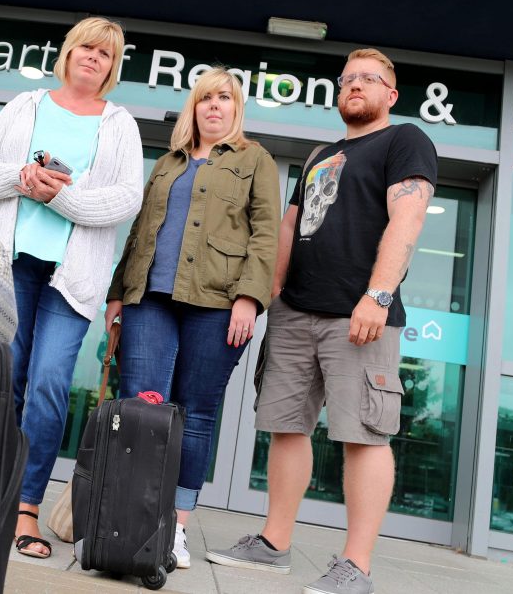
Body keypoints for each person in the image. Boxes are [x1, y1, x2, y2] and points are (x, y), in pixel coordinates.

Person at [206, 49, 438, 594]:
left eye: (368, 79)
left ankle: (355, 567)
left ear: (391, 94)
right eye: (347, 79)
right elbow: (291, 226)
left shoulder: (405, 140)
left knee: (365, 436)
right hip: (295, 312)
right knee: (286, 427)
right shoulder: (321, 153)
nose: (354, 85)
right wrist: (271, 294)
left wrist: (378, 295)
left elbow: (409, 214)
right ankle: (274, 544)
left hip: (360, 315)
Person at [0, 17, 143, 559]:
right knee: (6, 380)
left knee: (46, 384)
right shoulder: (25, 105)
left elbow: (124, 200)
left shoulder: (120, 124)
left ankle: (26, 508)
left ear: (113, 68)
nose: (94, 58)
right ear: (68, 53)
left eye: (106, 54)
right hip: (11, 264)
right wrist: (21, 178)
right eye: (86, 48)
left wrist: (58, 198)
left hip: (72, 279)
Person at [105, 67, 280, 569]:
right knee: (143, 406)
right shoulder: (167, 163)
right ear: (194, 108)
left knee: (195, 413)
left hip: (220, 303)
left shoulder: (255, 159)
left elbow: (266, 235)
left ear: (236, 107)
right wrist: (118, 294)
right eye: (205, 99)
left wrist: (250, 298)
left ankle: (175, 529)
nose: (214, 106)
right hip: (150, 298)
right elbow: (140, 232)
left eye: (224, 98)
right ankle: (129, 521)